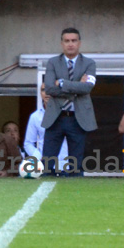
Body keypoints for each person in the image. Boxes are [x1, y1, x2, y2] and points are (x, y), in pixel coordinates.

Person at [41, 28, 96, 176]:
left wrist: (63, 83)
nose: (70, 44)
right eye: (67, 41)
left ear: (79, 43)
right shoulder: (52, 63)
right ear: (61, 43)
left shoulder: (89, 63)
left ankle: (76, 196)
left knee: (76, 166)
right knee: (47, 164)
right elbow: (50, 89)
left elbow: (88, 88)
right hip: (56, 117)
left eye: (73, 40)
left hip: (78, 119)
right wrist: (77, 88)